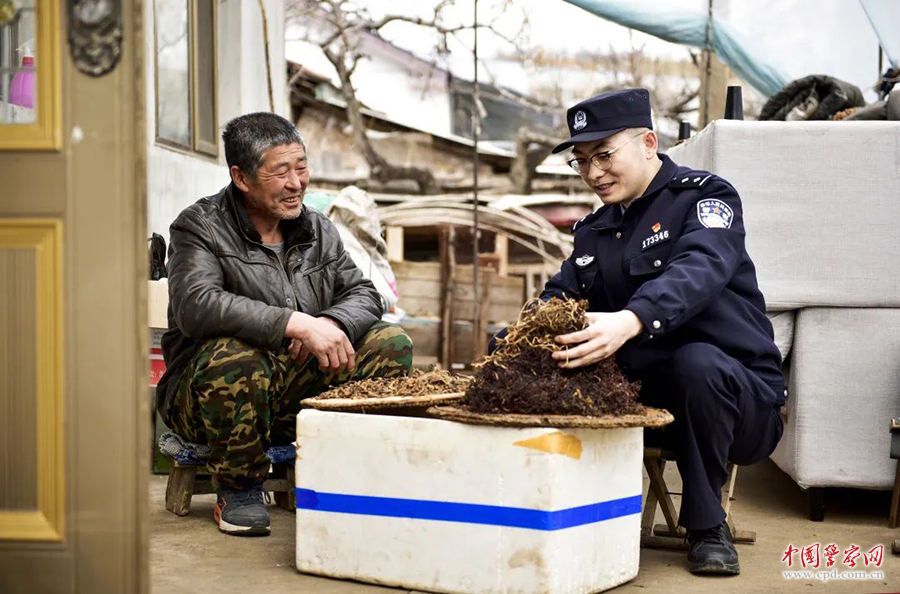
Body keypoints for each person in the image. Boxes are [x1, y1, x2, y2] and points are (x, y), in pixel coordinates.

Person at [499, 89, 784, 575]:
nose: (593, 174)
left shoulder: (706, 198)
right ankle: (545, 504)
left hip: (739, 402)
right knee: (513, 347)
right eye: (582, 162)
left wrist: (631, 320)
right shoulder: (595, 228)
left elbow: (699, 268)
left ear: (648, 142)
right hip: (649, 398)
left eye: (604, 155)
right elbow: (561, 293)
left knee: (697, 363)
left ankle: (706, 525)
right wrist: (524, 336)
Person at [156, 112, 413, 536]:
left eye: (301, 168)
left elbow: (365, 293)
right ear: (241, 178)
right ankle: (238, 488)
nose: (297, 183)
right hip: (209, 399)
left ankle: (344, 469)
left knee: (390, 342)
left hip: (290, 390)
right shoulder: (199, 226)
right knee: (237, 355)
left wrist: (331, 322)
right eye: (281, 172)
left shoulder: (317, 228)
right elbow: (195, 304)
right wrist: (293, 323)